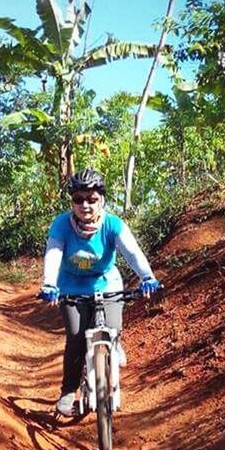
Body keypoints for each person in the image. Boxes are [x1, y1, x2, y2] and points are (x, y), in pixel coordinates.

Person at [39, 167, 160, 416]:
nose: (85, 205)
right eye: (78, 199)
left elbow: (132, 253)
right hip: (71, 286)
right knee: (75, 336)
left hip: (107, 283)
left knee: (113, 327)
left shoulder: (113, 225)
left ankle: (113, 344)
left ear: (101, 199)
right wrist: (49, 284)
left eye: (92, 199)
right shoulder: (62, 225)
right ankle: (69, 390)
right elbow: (53, 253)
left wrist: (148, 277)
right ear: (72, 202)